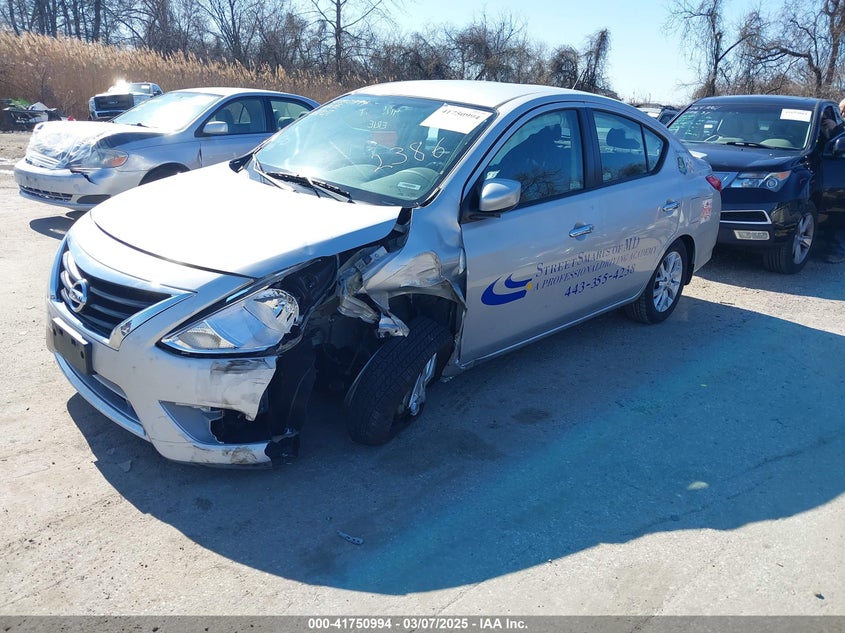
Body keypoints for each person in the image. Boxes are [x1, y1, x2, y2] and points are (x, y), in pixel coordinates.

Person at [821, 102, 845, 263]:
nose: (843, 113)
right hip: (828, 173)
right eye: (842, 110)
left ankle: (839, 249)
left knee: (838, 212)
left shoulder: (839, 129)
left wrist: (836, 130)